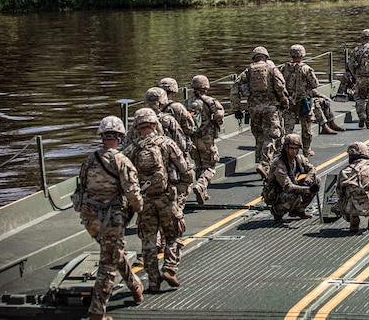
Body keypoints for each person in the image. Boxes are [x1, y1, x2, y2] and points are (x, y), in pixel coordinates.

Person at [73, 116, 144, 320]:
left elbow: (81, 187)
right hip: (111, 219)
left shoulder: (89, 159)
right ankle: (97, 312)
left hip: (90, 219)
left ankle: (135, 286)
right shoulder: (121, 160)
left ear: (102, 136)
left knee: (113, 251)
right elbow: (132, 191)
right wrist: (139, 208)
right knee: (108, 265)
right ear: (120, 137)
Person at [124, 108, 193, 293]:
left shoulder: (131, 149)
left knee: (148, 241)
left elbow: (122, 173)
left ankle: (153, 282)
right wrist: (184, 184)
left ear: (137, 126)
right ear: (155, 124)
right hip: (166, 198)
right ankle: (170, 268)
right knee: (174, 235)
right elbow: (185, 169)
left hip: (144, 201)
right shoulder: (166, 143)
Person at [230, 47, 289, 162]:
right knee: (271, 136)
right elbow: (280, 87)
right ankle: (265, 162)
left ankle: (258, 159)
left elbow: (235, 89)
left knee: (259, 136)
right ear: (266, 57)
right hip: (270, 108)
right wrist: (284, 103)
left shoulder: (248, 71)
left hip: (254, 109)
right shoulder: (272, 69)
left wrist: (236, 108)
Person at [262, 134, 321, 222]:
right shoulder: (279, 164)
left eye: (296, 148)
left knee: (317, 180)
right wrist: (307, 189)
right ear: (286, 148)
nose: (294, 151)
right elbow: (288, 187)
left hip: (288, 188)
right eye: (291, 148)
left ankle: (298, 210)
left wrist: (308, 180)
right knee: (295, 197)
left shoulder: (299, 158)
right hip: (276, 192)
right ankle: (277, 211)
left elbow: (312, 169)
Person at [185, 75, 224, 204]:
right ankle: (201, 185)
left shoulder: (186, 102)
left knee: (199, 165)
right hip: (206, 139)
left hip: (192, 139)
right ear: (206, 87)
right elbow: (219, 115)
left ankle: (203, 192)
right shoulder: (210, 101)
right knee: (210, 166)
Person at [331, 141, 369, 232]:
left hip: (351, 207)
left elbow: (339, 191)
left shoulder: (345, 171)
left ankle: (354, 222)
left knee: (343, 197)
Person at [281, 44, 320, 157]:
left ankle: (286, 150)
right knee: (306, 128)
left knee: (288, 128)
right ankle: (307, 150)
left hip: (289, 102)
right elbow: (315, 84)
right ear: (303, 55)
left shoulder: (284, 68)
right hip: (304, 102)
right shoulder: (306, 69)